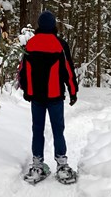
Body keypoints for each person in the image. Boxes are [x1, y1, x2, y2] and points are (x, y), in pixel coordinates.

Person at [19, 10, 79, 184]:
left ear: (39, 25)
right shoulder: (60, 44)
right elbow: (68, 70)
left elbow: (23, 70)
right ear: (53, 25)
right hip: (54, 96)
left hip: (36, 97)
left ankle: (37, 165)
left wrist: (26, 90)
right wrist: (73, 91)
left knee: (37, 129)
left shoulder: (30, 44)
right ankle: (62, 166)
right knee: (57, 129)